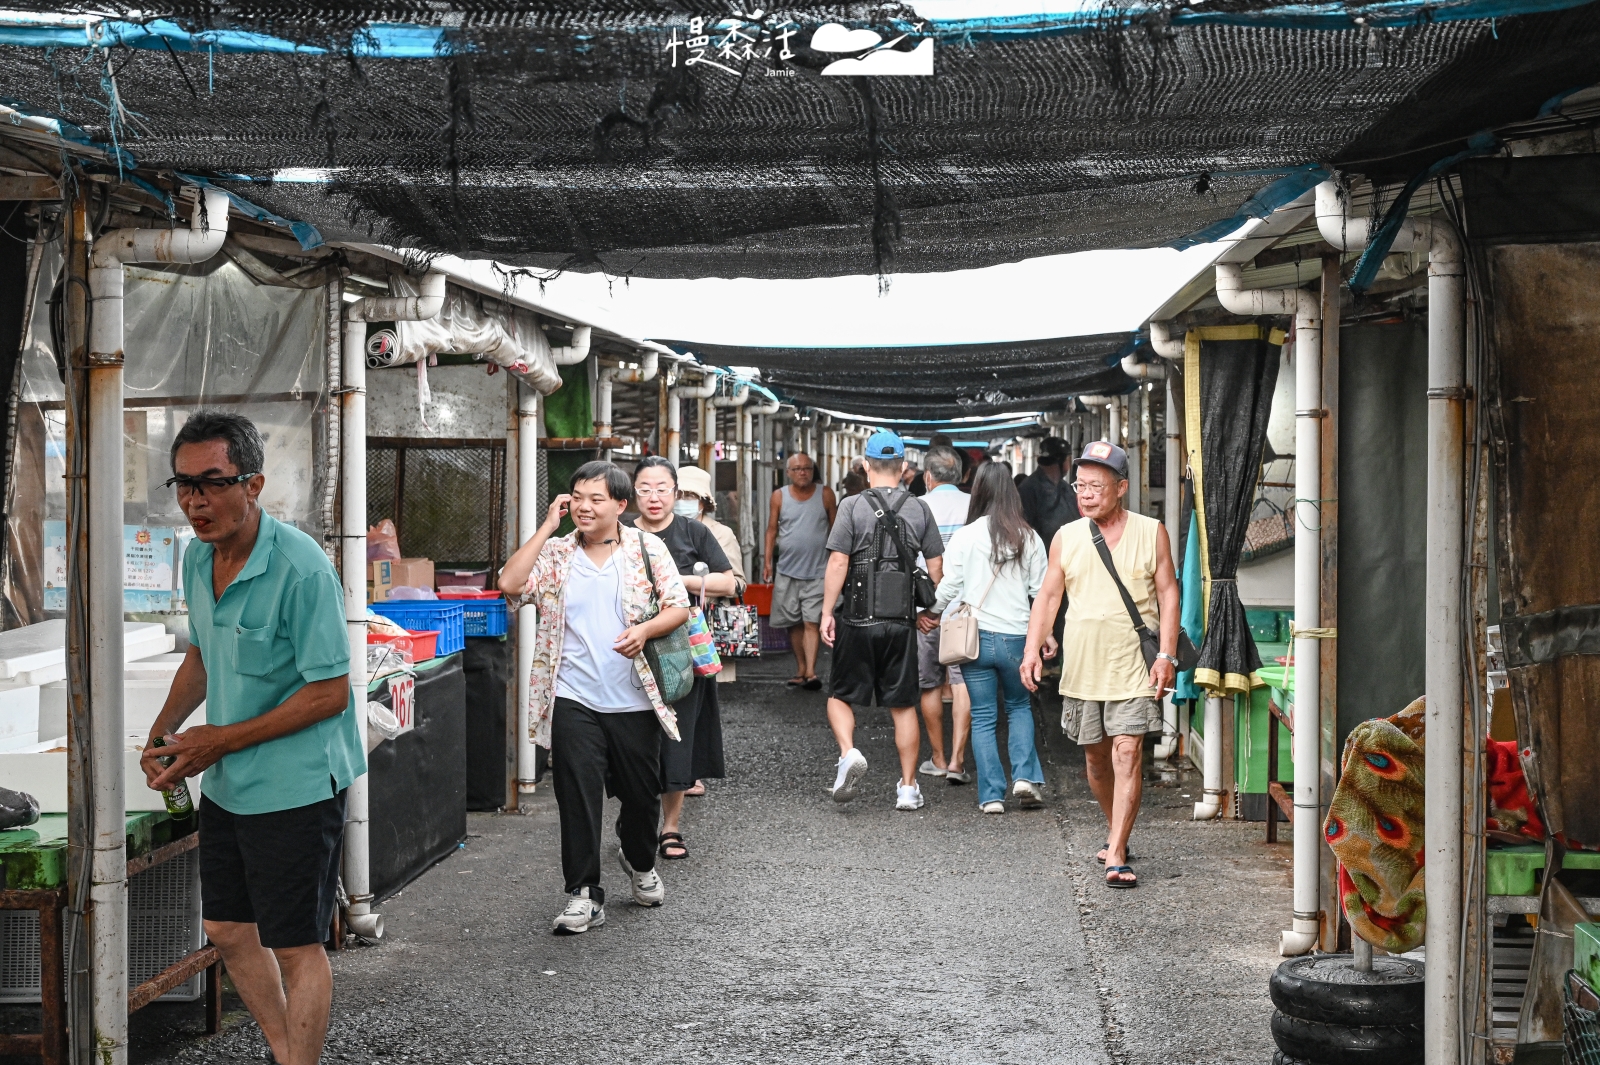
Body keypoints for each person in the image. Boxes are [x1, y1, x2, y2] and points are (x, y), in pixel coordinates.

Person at [143, 410, 364, 1065]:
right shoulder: (197, 558)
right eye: (183, 484)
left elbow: (331, 692)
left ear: (254, 483)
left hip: (298, 780)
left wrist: (218, 740)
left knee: (297, 943)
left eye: (211, 483)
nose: (195, 501)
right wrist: (165, 730)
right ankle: (283, 1048)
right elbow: (203, 657)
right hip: (232, 778)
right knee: (228, 928)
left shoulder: (302, 569)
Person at [499, 461, 690, 932]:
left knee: (642, 797)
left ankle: (640, 860)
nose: (584, 507)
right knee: (577, 796)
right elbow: (510, 584)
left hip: (634, 699)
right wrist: (547, 526)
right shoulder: (559, 553)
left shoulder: (647, 548)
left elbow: (679, 605)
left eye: (596, 499)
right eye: (577, 497)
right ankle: (583, 892)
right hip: (573, 697)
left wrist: (644, 631)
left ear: (620, 505)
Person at [1021, 441, 1180, 890]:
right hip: (1084, 667)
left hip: (1134, 664)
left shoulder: (1152, 532)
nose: (1086, 494)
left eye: (1096, 485)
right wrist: (1033, 647)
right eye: (1080, 485)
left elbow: (1169, 593)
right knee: (1095, 760)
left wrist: (1166, 654)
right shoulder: (1067, 536)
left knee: (1126, 751)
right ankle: (1117, 834)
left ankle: (1116, 850)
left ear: (1122, 487)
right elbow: (1049, 596)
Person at [820, 429, 946, 810]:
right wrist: (929, 610)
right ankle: (907, 788)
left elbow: (839, 561)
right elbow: (937, 563)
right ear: (905, 467)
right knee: (903, 705)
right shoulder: (920, 508)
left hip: (858, 619)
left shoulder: (851, 506)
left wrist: (827, 612)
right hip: (901, 622)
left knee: (840, 695)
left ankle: (848, 753)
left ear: (864, 466)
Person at [624, 457, 736, 861]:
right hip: (627, 647)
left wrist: (676, 579)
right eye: (644, 489)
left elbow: (727, 581)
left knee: (677, 735)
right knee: (631, 737)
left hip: (679, 651)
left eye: (662, 489)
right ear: (632, 493)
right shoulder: (619, 533)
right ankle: (634, 817)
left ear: (676, 493)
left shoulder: (694, 532)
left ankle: (670, 827)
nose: (653, 497)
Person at [923, 463, 1048, 814]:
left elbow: (949, 585)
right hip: (1017, 640)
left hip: (974, 639)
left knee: (983, 716)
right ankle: (1023, 776)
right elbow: (1041, 594)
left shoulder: (966, 536)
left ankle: (992, 796)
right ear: (1011, 492)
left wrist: (931, 614)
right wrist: (1046, 635)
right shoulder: (1030, 537)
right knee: (1019, 707)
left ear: (978, 492)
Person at [913, 446, 974, 786]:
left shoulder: (918, 506)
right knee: (963, 683)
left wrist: (919, 609)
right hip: (965, 611)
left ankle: (936, 756)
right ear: (963, 476)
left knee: (930, 682)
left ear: (928, 477)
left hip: (926, 611)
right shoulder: (974, 507)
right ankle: (957, 760)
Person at [763, 451, 836, 690]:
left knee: (811, 622)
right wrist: (767, 562)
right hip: (787, 570)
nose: (803, 472)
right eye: (798, 469)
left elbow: (836, 530)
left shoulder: (825, 494)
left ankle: (812, 672)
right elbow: (771, 529)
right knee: (792, 622)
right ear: (789, 473)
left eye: (807, 468)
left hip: (818, 571)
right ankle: (801, 669)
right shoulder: (779, 496)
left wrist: (838, 562)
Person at [679, 464, 746, 689]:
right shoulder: (666, 531)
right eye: (677, 495)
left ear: (703, 502)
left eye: (689, 496)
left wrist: (692, 583)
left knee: (708, 695)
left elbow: (737, 583)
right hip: (671, 626)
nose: (682, 501)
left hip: (707, 624)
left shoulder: (720, 533)